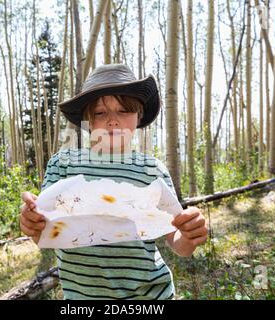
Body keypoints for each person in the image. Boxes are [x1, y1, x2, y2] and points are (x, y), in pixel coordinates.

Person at [19, 64, 208, 300]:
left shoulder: (152, 170)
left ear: (139, 116)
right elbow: (42, 231)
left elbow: (177, 243)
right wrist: (30, 220)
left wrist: (191, 235)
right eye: (100, 113)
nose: (112, 122)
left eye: (124, 111)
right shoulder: (63, 164)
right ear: (87, 118)